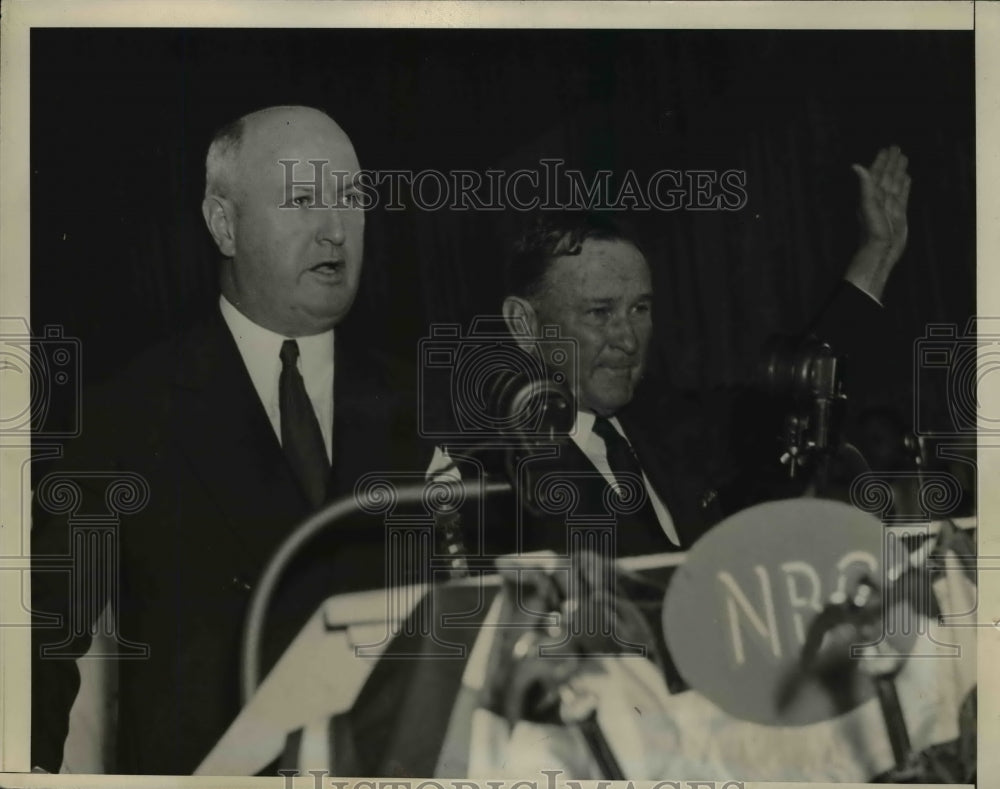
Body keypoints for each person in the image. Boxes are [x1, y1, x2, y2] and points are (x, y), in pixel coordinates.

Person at [30, 106, 424, 774]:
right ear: (224, 223)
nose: (336, 229)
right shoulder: (126, 412)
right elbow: (40, 631)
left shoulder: (424, 403)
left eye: (352, 199)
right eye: (303, 198)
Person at [435, 146, 911, 558]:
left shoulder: (671, 425)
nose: (628, 338)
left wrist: (878, 252)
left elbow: (804, 386)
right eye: (600, 313)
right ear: (525, 324)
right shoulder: (488, 480)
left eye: (640, 308)